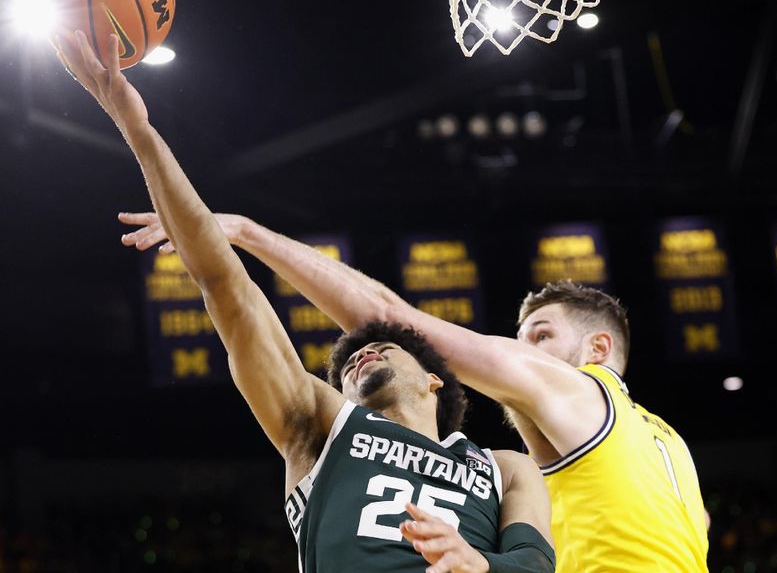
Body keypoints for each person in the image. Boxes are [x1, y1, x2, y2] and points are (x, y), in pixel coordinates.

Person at [55, 31, 555, 573]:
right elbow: (228, 289)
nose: (357, 356)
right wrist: (138, 130)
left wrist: (479, 566)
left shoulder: (504, 468)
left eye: (380, 346)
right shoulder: (319, 429)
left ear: (435, 378)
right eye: (342, 366)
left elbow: (534, 564)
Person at [121, 213, 710, 572]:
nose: (522, 350)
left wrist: (248, 235)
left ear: (599, 350)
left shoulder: (575, 390)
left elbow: (386, 316)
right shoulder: (671, 446)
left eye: (540, 335)